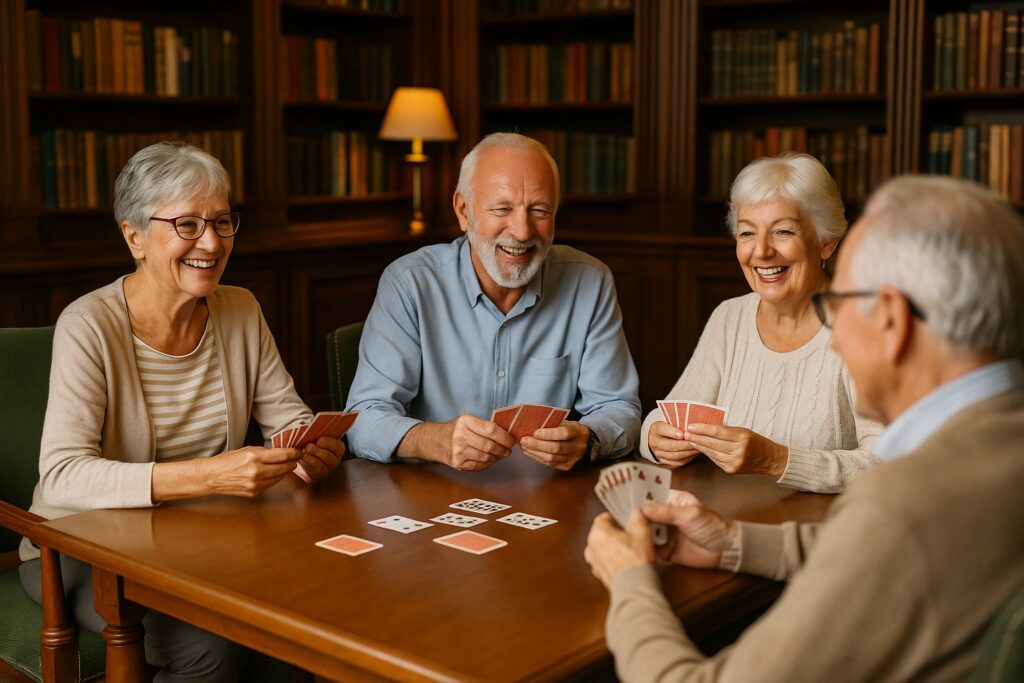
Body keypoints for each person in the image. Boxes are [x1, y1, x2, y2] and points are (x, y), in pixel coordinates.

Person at [584, 175, 1024, 682]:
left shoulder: (902, 502)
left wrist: (631, 580)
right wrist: (733, 542)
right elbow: (874, 552)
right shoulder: (993, 451)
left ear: (893, 322)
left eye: (840, 305)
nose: (833, 340)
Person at [19, 142, 345, 682]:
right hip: (84, 548)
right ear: (134, 238)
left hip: (201, 538)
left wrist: (306, 449)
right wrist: (209, 475)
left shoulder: (240, 308)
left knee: (296, 619)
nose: (212, 243)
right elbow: (61, 477)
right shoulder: (88, 325)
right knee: (211, 648)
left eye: (221, 221)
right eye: (187, 225)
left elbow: (288, 417)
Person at [345, 133, 641, 471]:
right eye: (502, 209)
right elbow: (364, 420)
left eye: (540, 210)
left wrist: (589, 438)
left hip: (545, 499)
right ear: (463, 210)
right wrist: (434, 440)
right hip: (429, 495)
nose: (521, 231)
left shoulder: (591, 281)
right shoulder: (409, 283)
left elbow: (621, 409)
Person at [641, 153, 881, 493]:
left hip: (818, 536)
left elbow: (890, 464)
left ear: (827, 243)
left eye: (783, 231)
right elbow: (665, 418)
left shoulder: (864, 329)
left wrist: (777, 460)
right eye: (747, 233)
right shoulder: (730, 317)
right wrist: (654, 439)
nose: (761, 251)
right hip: (720, 524)